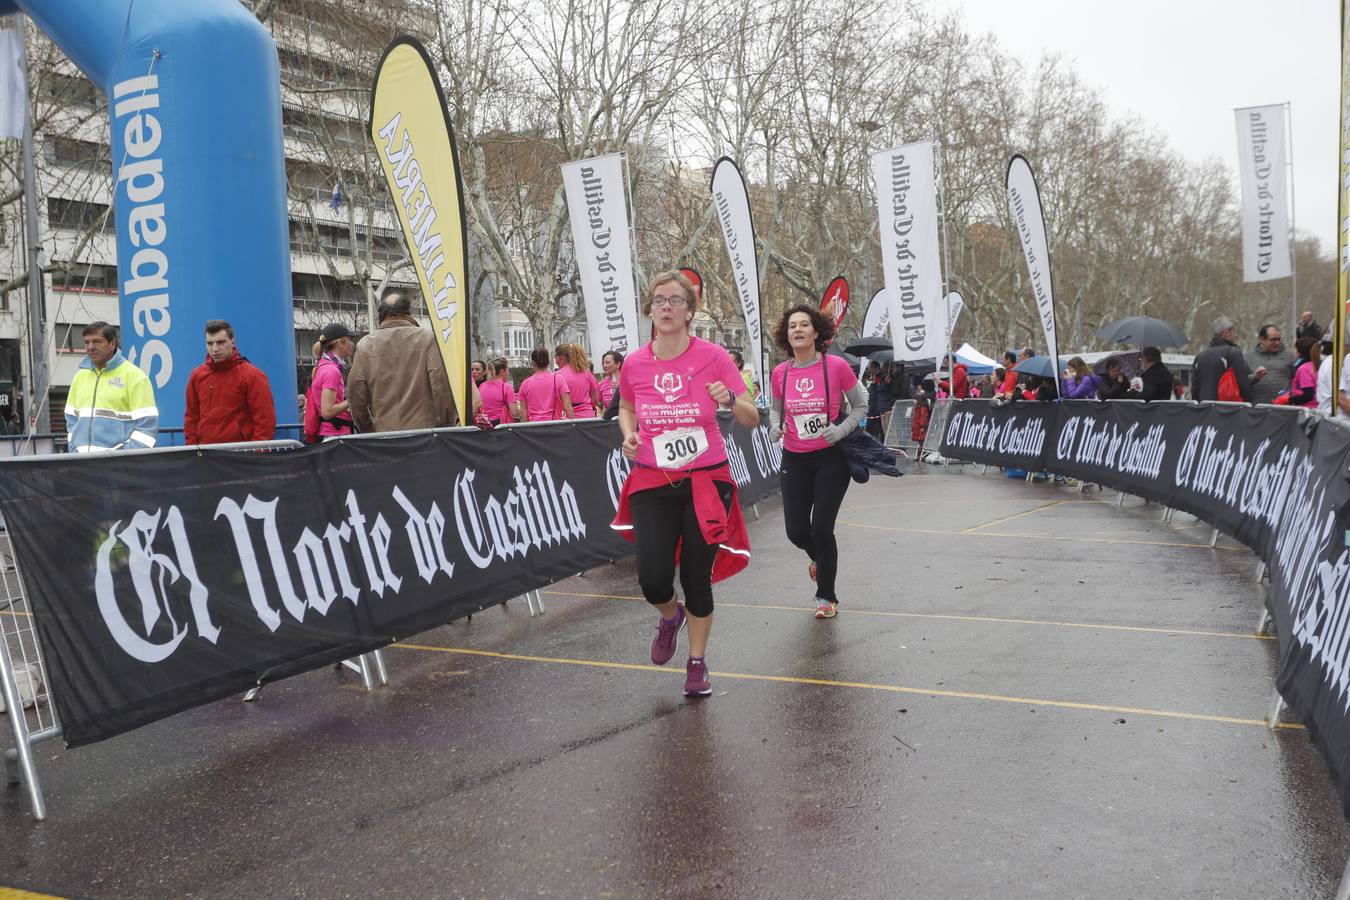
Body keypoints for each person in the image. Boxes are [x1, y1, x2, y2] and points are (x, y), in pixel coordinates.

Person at [611, 270, 758, 697]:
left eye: (676, 300)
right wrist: (629, 435)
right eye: (659, 300)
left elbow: (751, 416)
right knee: (653, 579)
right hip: (653, 478)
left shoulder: (714, 357)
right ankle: (670, 615)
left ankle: (696, 662)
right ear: (649, 310)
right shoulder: (635, 362)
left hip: (707, 479)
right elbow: (625, 406)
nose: (667, 307)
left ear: (690, 311)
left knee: (697, 575)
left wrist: (729, 399)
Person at [769, 303, 867, 620]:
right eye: (792, 326)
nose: (797, 329)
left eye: (804, 325)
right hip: (794, 458)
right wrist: (774, 426)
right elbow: (775, 410)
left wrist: (839, 431)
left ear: (816, 332)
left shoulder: (835, 367)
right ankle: (818, 560)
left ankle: (827, 596)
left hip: (830, 460)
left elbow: (860, 406)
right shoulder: (780, 373)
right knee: (797, 532)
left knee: (822, 530)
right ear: (787, 336)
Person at [347, 290, 473, 433]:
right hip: (425, 434)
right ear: (408, 312)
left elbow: (355, 394)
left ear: (380, 316)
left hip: (384, 435)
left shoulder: (365, 346)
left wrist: (366, 428)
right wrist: (446, 424)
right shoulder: (428, 339)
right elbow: (440, 385)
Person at [65, 322, 158, 453]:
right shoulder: (79, 377)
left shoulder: (135, 377)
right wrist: (74, 449)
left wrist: (121, 458)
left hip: (119, 467)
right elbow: (71, 420)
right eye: (87, 342)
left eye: (97, 342)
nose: (90, 347)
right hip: (83, 463)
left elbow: (147, 428)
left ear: (112, 344)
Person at [183, 319, 276, 445]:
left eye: (220, 342)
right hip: (205, 455)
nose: (215, 349)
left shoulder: (253, 376)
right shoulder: (197, 375)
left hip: (241, 456)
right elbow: (191, 418)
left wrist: (256, 454)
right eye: (210, 343)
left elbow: (265, 422)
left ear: (232, 342)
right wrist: (192, 449)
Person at [304, 322, 356, 442]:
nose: (352, 344)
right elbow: (327, 411)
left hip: (330, 434)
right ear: (340, 343)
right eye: (350, 340)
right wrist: (352, 400)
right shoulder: (331, 371)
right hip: (335, 436)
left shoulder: (322, 366)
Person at [1192, 317, 1254, 402]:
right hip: (1227, 409)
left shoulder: (1199, 357)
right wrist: (1249, 403)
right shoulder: (1232, 352)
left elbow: (1195, 388)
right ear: (1226, 333)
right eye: (1234, 331)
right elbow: (1243, 383)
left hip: (1205, 409)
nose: (1236, 335)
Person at [517, 347, 573, 422]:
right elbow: (567, 405)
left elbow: (524, 411)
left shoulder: (525, 384)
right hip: (555, 424)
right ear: (548, 362)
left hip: (534, 426)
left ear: (533, 363)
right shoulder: (558, 379)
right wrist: (574, 423)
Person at [1245, 324, 1295, 406]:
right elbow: (1242, 383)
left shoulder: (1289, 355)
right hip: (1258, 408)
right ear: (1261, 339)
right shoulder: (1248, 357)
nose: (1277, 342)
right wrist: (1255, 377)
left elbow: (1295, 380)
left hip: (1284, 409)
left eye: (1279, 339)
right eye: (1273, 340)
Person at [555, 342, 601, 418]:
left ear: (561, 358)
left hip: (566, 418)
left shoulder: (557, 376)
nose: (556, 361)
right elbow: (596, 398)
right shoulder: (586, 372)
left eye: (555, 358)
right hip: (587, 415)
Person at [478, 357, 520, 425]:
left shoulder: (482, 386)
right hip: (501, 426)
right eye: (508, 370)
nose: (508, 373)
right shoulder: (506, 387)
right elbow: (514, 412)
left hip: (486, 425)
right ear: (502, 371)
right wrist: (521, 408)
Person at [1289, 336, 1321, 408]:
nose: (1293, 350)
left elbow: (1308, 395)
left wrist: (1289, 400)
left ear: (1300, 352)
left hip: (1308, 409)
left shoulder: (1304, 369)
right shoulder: (1319, 365)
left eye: (1295, 348)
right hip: (1319, 407)